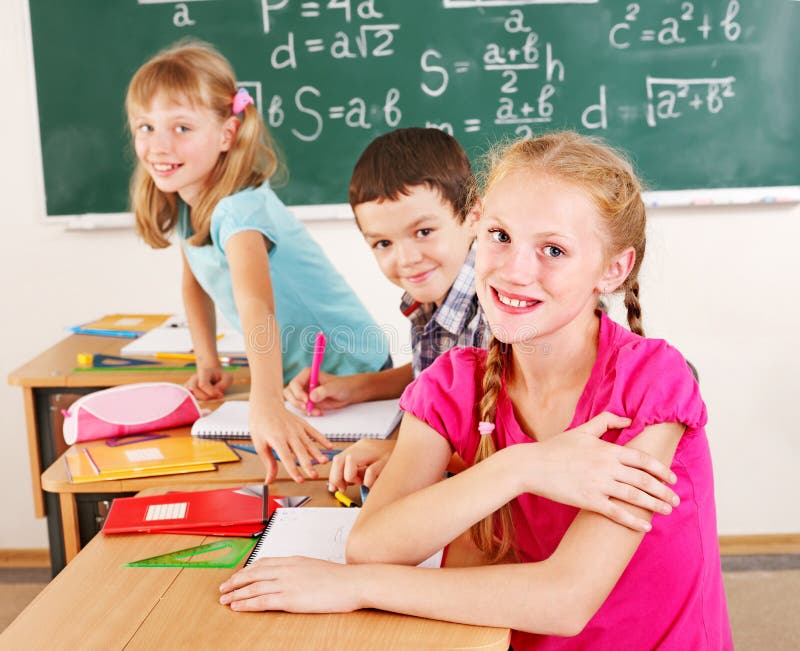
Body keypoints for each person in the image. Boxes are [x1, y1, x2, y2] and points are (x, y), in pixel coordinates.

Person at [220, 132, 733, 649]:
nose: (514, 271)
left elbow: (566, 600)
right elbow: (373, 544)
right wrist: (522, 466)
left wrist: (357, 587)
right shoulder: (452, 383)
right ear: (476, 225)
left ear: (613, 269)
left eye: (553, 249)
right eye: (500, 235)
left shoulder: (651, 383)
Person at [126, 41, 389, 483]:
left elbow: (256, 304)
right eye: (145, 126)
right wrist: (207, 361)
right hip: (298, 380)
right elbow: (195, 283)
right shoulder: (189, 203)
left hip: (350, 372)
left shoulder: (238, 209)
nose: (158, 144)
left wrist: (263, 402)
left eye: (182, 128)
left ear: (228, 133)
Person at [284, 127, 487, 488]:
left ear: (473, 215)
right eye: (383, 243)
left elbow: (507, 444)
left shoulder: (495, 310)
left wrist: (405, 455)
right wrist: (356, 387)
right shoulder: (428, 301)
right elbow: (438, 373)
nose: (406, 259)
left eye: (424, 232)